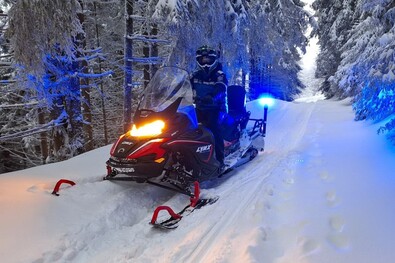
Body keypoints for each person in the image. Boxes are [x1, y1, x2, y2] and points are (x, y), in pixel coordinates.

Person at [190, 45, 228, 171]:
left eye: (208, 59)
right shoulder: (195, 75)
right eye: (202, 59)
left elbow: (221, 88)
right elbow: (184, 86)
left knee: (213, 129)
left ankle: (219, 160)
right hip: (199, 108)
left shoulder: (219, 74)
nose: (205, 62)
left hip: (216, 108)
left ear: (213, 60)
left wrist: (212, 96)